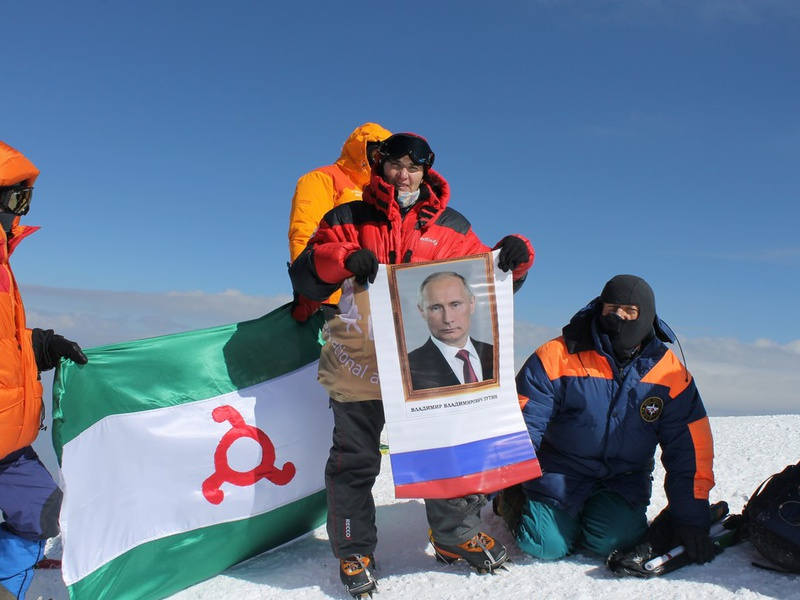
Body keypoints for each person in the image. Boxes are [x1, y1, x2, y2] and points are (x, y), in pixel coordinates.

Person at [289, 132, 534, 597]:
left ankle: (454, 536)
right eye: (396, 165)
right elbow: (307, 274)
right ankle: (353, 547)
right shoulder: (347, 216)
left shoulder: (453, 227)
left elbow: (484, 282)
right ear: (380, 166)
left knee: (446, 452)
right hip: (356, 364)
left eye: (413, 167)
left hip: (426, 369)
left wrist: (515, 262)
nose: (404, 176)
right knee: (355, 462)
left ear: (427, 171)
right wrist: (341, 258)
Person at [496, 274, 716, 567]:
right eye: (611, 308)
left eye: (630, 312)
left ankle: (588, 517)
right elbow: (523, 423)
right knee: (545, 544)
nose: (618, 317)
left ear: (647, 315)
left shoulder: (670, 374)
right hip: (560, 470)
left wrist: (691, 519)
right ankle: (511, 498)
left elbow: (689, 450)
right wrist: (503, 476)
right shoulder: (557, 355)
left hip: (622, 478)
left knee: (615, 542)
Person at [0, 141, 88, 600]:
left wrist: (40, 345)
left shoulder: (2, 267)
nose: (20, 211)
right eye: (15, 198)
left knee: (40, 510)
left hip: (7, 439)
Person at [287, 122, 391, 314]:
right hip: (332, 299)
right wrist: (309, 294)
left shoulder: (380, 193)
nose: (380, 160)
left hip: (373, 301)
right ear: (362, 148)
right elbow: (305, 235)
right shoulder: (322, 179)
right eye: (377, 153)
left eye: (386, 156)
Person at [408, 271, 493, 390]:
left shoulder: (496, 355)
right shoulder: (407, 369)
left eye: (455, 305)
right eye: (436, 308)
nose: (447, 319)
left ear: (472, 304)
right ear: (422, 312)